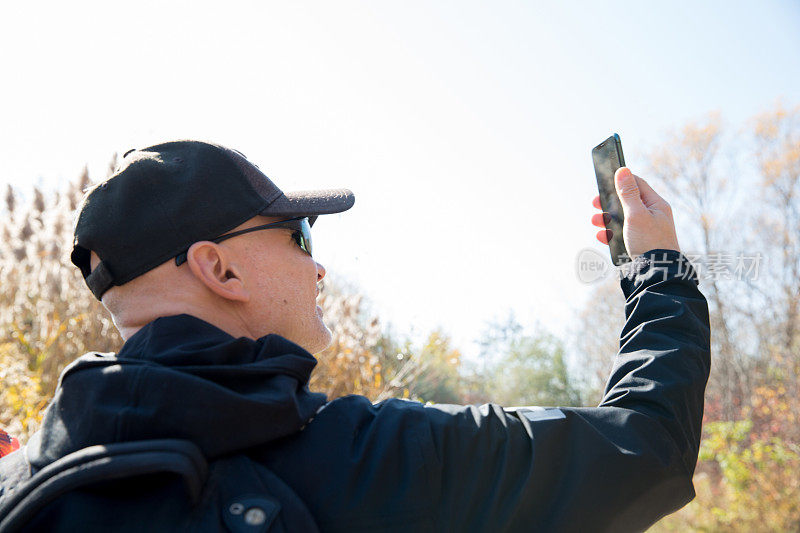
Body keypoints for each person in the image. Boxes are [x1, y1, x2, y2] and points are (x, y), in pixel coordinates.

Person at [0, 140, 710, 532]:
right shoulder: (372, 459)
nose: (319, 265)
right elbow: (643, 447)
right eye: (299, 234)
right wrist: (657, 269)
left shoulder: (19, 483)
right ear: (219, 267)